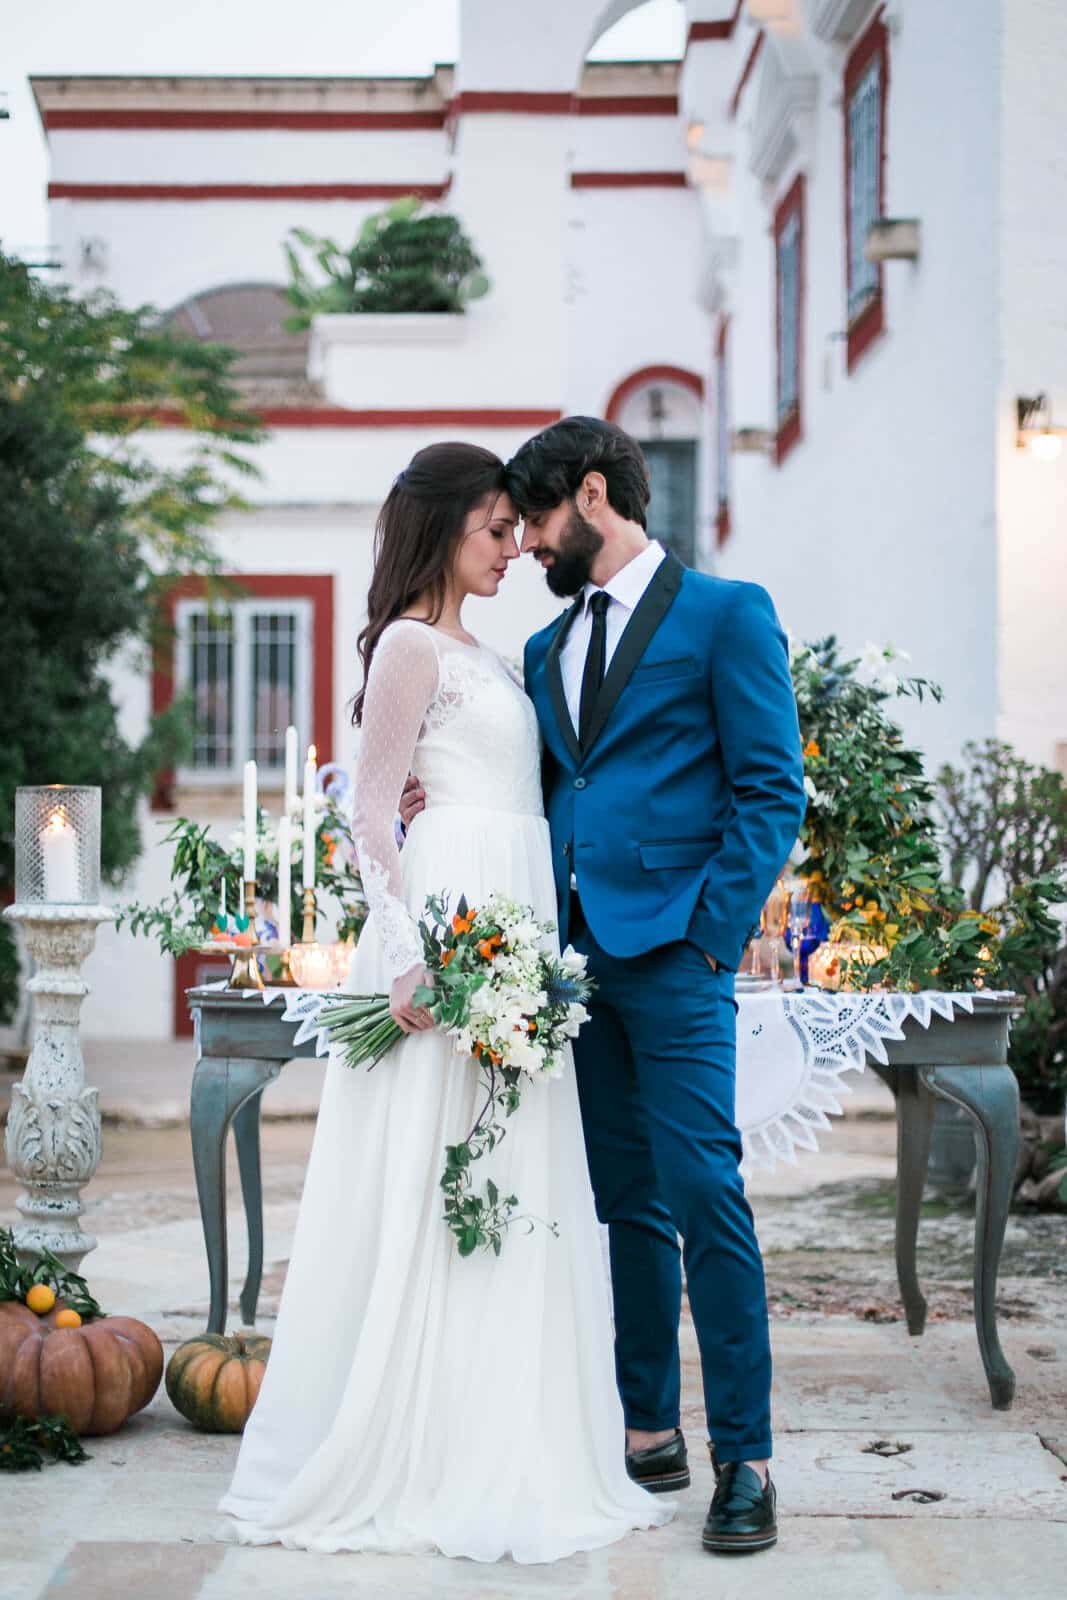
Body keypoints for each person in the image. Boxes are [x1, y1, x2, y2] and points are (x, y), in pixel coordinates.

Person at [218, 441, 671, 1564]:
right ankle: (422, 1433)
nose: (514, 549)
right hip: (451, 925)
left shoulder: (504, 656)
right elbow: (371, 813)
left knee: (515, 1162)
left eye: (517, 531)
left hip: (518, 917)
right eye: (494, 531)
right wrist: (409, 953)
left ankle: (507, 1425)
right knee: (437, 1166)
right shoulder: (410, 648)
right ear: (440, 528)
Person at [403, 416, 806, 1555]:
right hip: (567, 961)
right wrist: (436, 805)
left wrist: (708, 939)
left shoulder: (729, 614)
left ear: (592, 495)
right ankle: (644, 1430)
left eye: (533, 519)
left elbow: (770, 790)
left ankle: (746, 1461)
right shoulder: (540, 652)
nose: (523, 544)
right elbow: (530, 787)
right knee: (618, 1203)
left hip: (675, 958)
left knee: (701, 1194)